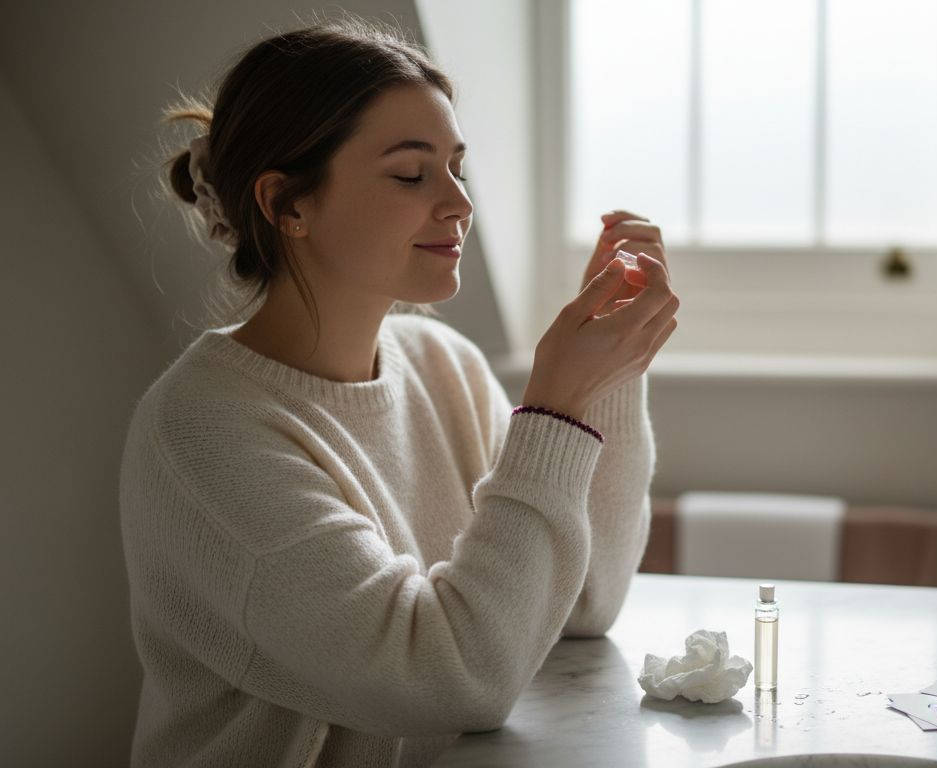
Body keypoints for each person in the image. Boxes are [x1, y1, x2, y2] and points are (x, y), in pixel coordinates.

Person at [119, 15, 678, 768]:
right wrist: (556, 408)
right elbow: (449, 682)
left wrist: (605, 380)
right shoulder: (204, 434)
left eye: (457, 166)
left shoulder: (440, 364)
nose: (458, 203)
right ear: (287, 204)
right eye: (413, 174)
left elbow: (582, 605)